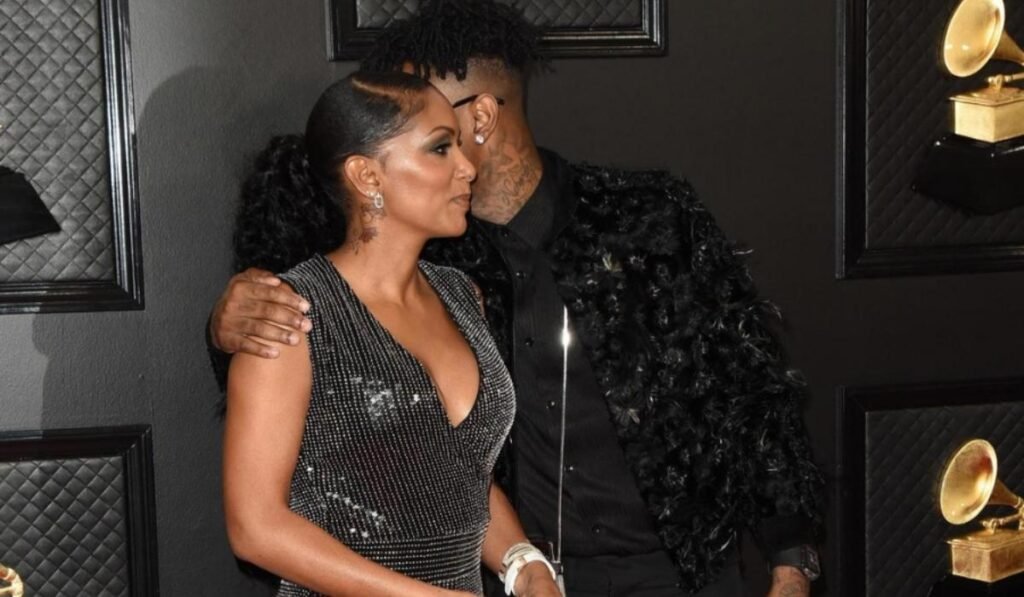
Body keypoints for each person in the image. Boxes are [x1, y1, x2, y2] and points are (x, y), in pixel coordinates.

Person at [210, 2, 825, 595]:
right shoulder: (426, 257)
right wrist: (223, 324)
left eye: (440, 129)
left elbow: (751, 392)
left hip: (678, 574)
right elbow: (314, 354)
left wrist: (791, 563)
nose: (449, 159)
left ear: (478, 117)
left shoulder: (647, 222)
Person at [221, 70, 561, 597]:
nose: (468, 167)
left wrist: (522, 563)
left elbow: (459, 474)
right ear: (367, 176)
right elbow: (256, 528)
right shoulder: (290, 316)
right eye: (441, 148)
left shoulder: (460, 295)